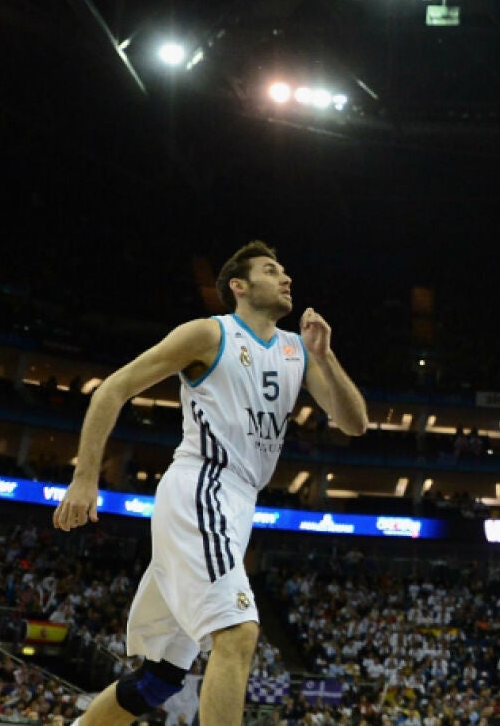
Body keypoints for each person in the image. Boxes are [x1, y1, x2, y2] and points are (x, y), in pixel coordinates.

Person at [53, 241, 369, 726]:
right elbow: (114, 388)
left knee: (158, 679)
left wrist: (324, 357)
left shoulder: (297, 351)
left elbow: (354, 423)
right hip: (201, 486)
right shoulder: (209, 334)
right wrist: (84, 477)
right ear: (239, 286)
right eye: (271, 270)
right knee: (239, 632)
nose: (285, 278)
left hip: (239, 504)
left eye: (284, 270)